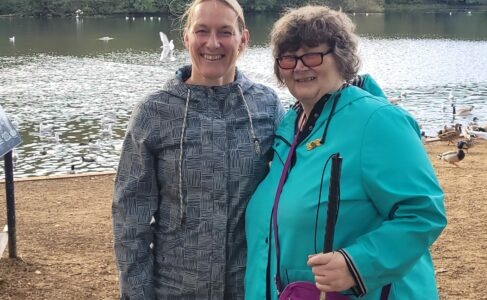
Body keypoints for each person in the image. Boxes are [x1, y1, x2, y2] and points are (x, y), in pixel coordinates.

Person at [245, 6, 447, 300]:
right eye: (289, 58)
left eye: (312, 55)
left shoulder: (377, 121)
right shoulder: (289, 128)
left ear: (340, 57)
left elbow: (423, 212)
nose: (300, 67)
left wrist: (357, 266)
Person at [112, 0, 284, 298]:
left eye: (225, 32)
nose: (213, 43)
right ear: (186, 37)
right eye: (202, 31)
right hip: (175, 289)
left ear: (244, 39)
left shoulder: (267, 107)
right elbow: (131, 217)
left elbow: (295, 190)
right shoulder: (154, 112)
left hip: (249, 287)